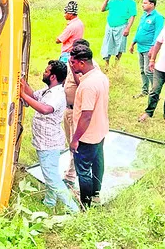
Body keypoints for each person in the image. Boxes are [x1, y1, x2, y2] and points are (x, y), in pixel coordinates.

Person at [20, 60, 80, 213]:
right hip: (47, 141)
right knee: (51, 174)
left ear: (53, 76)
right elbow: (34, 95)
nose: (43, 73)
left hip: (49, 143)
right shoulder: (49, 91)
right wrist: (21, 81)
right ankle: (49, 202)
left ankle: (73, 210)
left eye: (46, 71)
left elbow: (46, 109)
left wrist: (22, 95)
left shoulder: (58, 95)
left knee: (52, 178)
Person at [68, 45, 109, 208]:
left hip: (87, 135)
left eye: (73, 62)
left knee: (83, 170)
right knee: (98, 162)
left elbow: (86, 115)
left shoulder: (88, 86)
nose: (71, 65)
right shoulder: (101, 77)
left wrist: (75, 139)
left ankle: (85, 203)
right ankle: (95, 194)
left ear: (82, 63)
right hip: (100, 130)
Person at [63, 39, 100, 186]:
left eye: (74, 58)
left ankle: (71, 175)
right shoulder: (72, 63)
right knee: (69, 141)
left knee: (75, 142)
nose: (71, 60)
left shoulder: (90, 70)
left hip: (77, 112)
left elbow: (82, 84)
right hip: (67, 109)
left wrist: (73, 68)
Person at [129, 0, 165, 98]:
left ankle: (155, 92)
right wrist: (133, 43)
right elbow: (139, 30)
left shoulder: (158, 17)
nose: (142, 5)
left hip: (148, 48)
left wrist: (153, 48)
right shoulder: (144, 15)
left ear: (152, 4)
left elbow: (158, 33)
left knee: (148, 71)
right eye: (143, 2)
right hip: (140, 47)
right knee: (142, 70)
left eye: (145, 3)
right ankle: (144, 91)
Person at [100, 0, 137, 68]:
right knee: (107, 45)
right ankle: (106, 64)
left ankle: (116, 64)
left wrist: (128, 28)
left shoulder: (130, 2)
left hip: (122, 26)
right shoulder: (112, 1)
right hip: (110, 26)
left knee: (120, 46)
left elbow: (132, 16)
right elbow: (102, 9)